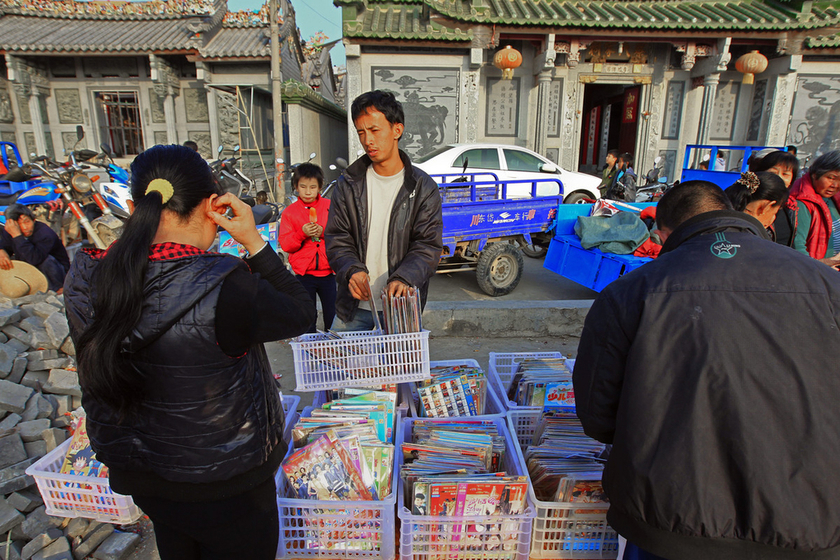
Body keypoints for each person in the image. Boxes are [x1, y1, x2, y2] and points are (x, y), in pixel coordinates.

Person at [63, 144, 315, 560]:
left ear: (134, 204)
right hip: (226, 484)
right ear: (210, 204)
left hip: (145, 479)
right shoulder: (226, 285)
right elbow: (301, 313)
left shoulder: (88, 275)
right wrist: (252, 239)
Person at [573, 180, 840, 560]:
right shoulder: (829, 285)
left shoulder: (632, 291)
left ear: (664, 232)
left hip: (671, 522)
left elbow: (598, 417)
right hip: (809, 521)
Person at [325, 90, 443, 330]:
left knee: (399, 367)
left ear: (397, 130)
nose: (368, 140)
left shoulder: (423, 187)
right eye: (361, 132)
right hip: (353, 308)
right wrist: (352, 270)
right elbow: (337, 238)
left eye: (375, 130)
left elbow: (427, 245)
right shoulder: (347, 184)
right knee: (343, 367)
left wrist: (404, 277)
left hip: (400, 309)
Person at [279, 163, 335, 332]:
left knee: (332, 316)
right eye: (303, 187)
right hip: (304, 274)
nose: (308, 191)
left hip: (328, 272)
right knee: (307, 316)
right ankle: (308, 352)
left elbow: (341, 234)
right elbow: (286, 244)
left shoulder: (330, 206)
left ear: (320, 186)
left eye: (313, 187)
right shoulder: (290, 212)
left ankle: (331, 351)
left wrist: (324, 232)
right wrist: (301, 233)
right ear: (296, 187)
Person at [0, 203, 70, 292]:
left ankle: (57, 288)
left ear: (33, 220)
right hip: (30, 269)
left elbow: (34, 259)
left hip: (55, 271)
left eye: (27, 222)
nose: (25, 227)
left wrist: (17, 236)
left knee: (46, 260)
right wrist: (1, 250)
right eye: (19, 224)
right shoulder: (10, 230)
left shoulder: (45, 233)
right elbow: (5, 245)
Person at [788, 150, 840, 266]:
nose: (835, 185)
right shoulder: (801, 202)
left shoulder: (833, 198)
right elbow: (797, 247)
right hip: (819, 274)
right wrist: (824, 266)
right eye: (831, 178)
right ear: (815, 174)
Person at [750, 150, 800, 246]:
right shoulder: (750, 201)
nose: (778, 178)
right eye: (773, 172)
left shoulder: (791, 207)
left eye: (785, 174)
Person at [723, 171, 788, 230]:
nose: (773, 218)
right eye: (774, 213)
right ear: (767, 207)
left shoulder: (719, 218)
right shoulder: (751, 237)